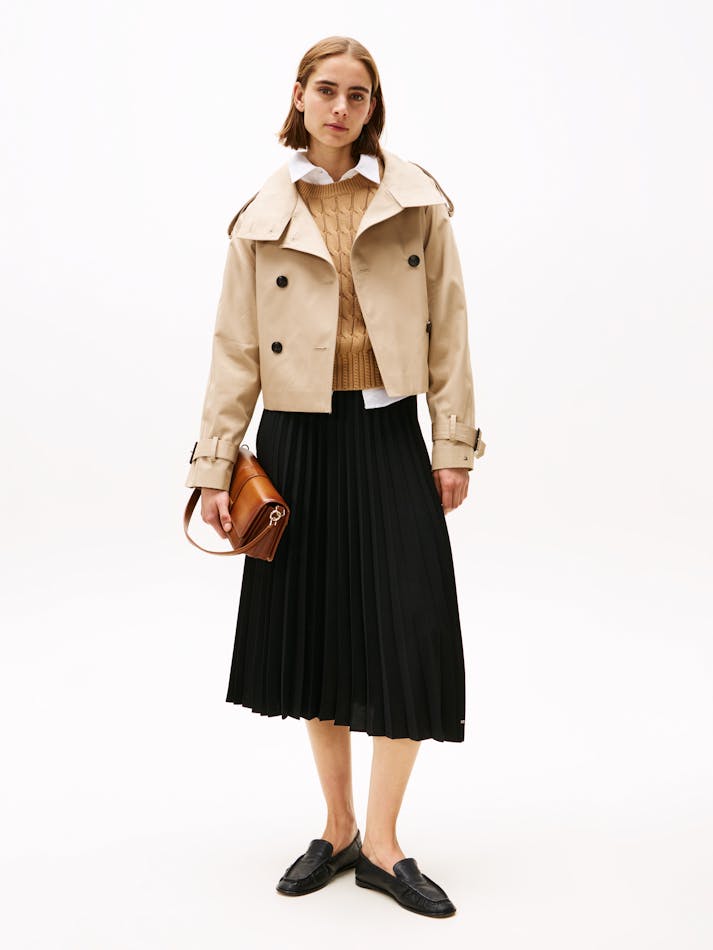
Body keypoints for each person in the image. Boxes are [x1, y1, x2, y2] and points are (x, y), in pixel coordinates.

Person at [185, 35, 486, 918]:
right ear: (299, 96)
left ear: (372, 107)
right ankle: (339, 827)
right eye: (326, 90)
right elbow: (235, 348)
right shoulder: (261, 215)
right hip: (295, 440)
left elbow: (449, 327)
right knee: (316, 632)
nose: (340, 107)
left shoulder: (415, 202)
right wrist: (215, 462)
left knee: (407, 628)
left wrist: (451, 445)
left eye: (357, 94)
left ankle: (385, 845)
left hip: (389, 434)